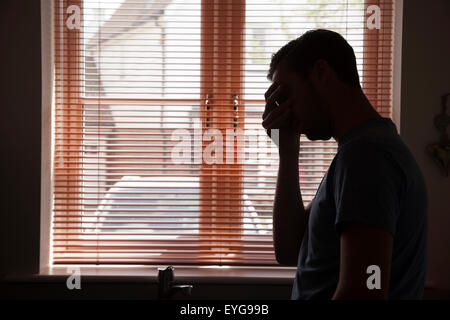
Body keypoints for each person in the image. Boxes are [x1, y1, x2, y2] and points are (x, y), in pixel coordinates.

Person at [262, 29, 428, 300]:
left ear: (321, 72)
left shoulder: (367, 157)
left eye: (287, 94)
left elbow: (365, 290)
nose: (285, 110)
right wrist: (288, 152)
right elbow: (290, 249)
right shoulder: (360, 152)